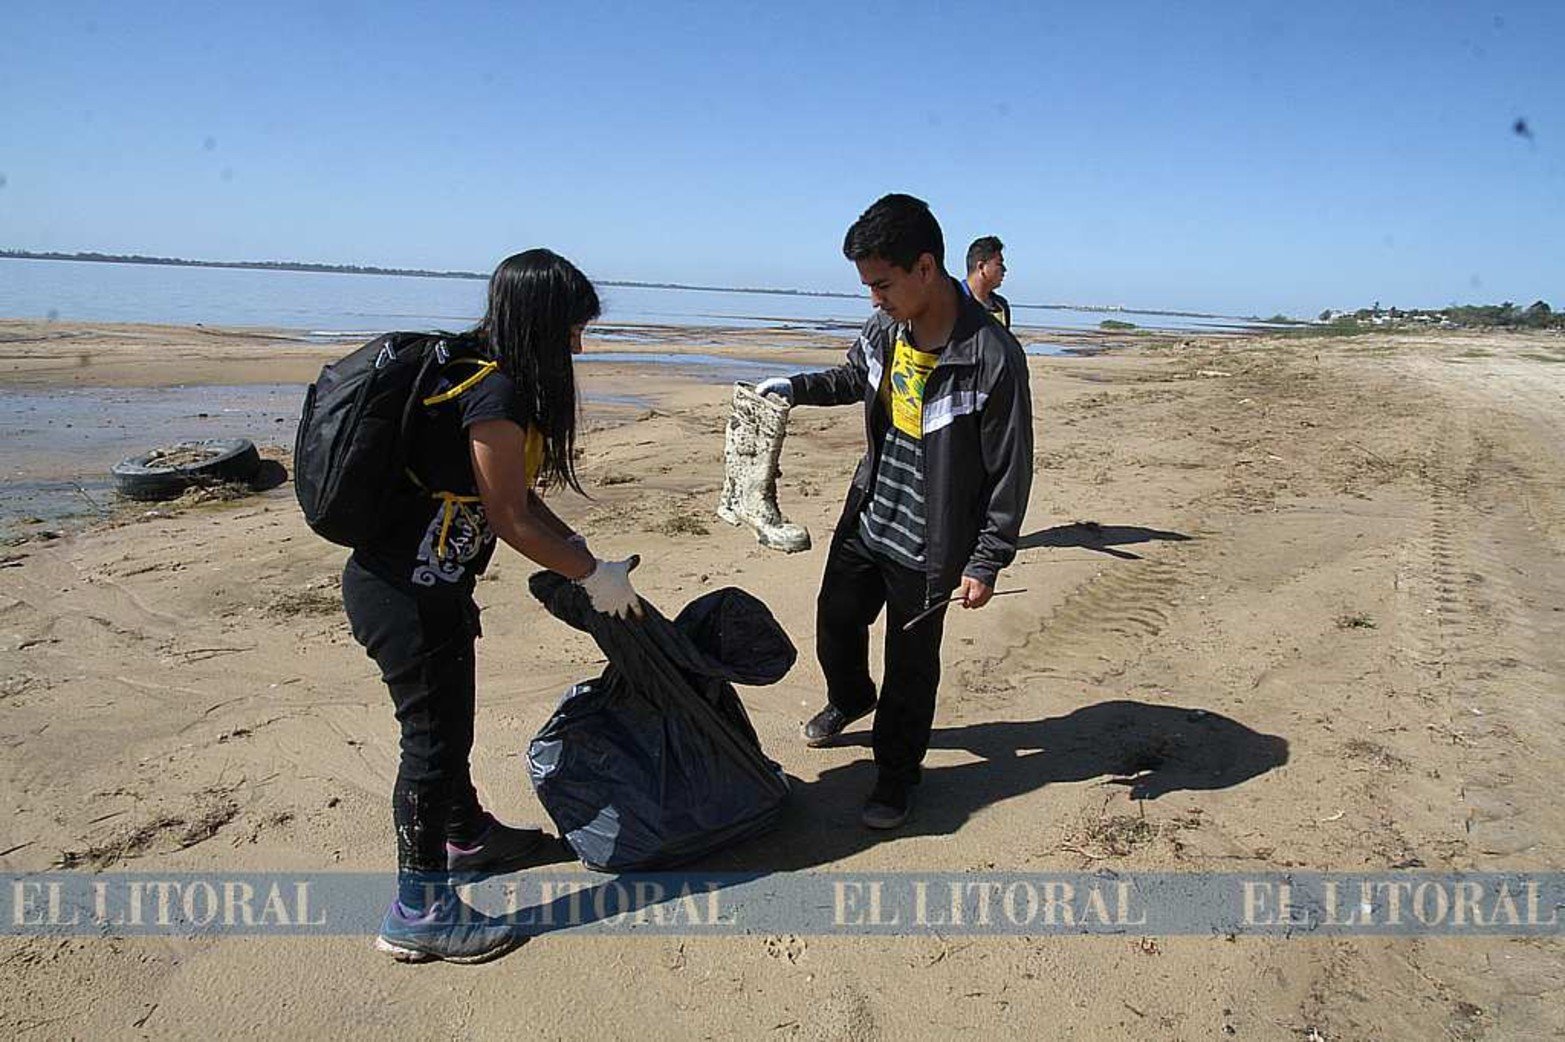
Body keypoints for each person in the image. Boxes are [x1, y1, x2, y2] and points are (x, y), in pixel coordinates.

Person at [340, 249, 643, 964]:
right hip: (404, 597)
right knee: (432, 744)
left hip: (430, 587)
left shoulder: (481, 375)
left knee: (447, 729)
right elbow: (508, 518)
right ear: (541, 322)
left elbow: (514, 493)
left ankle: (468, 836)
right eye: (573, 330)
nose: (578, 347)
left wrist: (578, 549)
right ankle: (418, 910)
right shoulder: (493, 391)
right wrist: (594, 577)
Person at [756, 195, 1033, 829]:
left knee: (910, 667)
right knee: (835, 621)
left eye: (882, 284)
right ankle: (851, 697)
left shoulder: (991, 355)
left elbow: (1011, 468)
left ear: (925, 268)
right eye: (868, 286)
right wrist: (794, 388)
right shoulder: (886, 328)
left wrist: (987, 559)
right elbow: (852, 377)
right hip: (870, 514)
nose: (873, 298)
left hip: (931, 543)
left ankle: (896, 776)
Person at [962, 235, 1011, 329]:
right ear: (981, 267)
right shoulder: (952, 302)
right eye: (999, 264)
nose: (1004, 269)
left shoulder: (1001, 306)